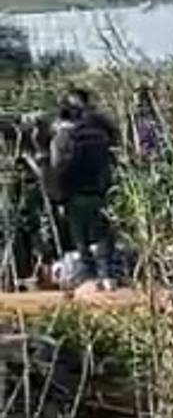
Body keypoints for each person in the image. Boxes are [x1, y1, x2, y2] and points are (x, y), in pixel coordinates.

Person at [51, 89, 119, 288]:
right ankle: (107, 277)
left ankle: (90, 278)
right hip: (101, 193)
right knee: (102, 234)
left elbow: (61, 169)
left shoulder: (66, 138)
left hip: (75, 195)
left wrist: (60, 196)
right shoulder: (102, 135)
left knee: (81, 238)